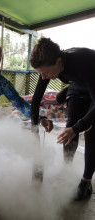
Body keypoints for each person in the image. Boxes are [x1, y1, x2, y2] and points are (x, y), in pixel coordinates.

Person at [30, 37, 95, 200]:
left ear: (59, 61)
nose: (43, 77)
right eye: (41, 74)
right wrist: (35, 126)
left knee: (90, 130)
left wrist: (78, 128)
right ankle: (67, 170)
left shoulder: (83, 62)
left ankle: (86, 182)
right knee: (70, 126)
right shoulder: (48, 65)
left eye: (46, 73)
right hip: (78, 85)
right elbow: (37, 98)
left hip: (93, 79)